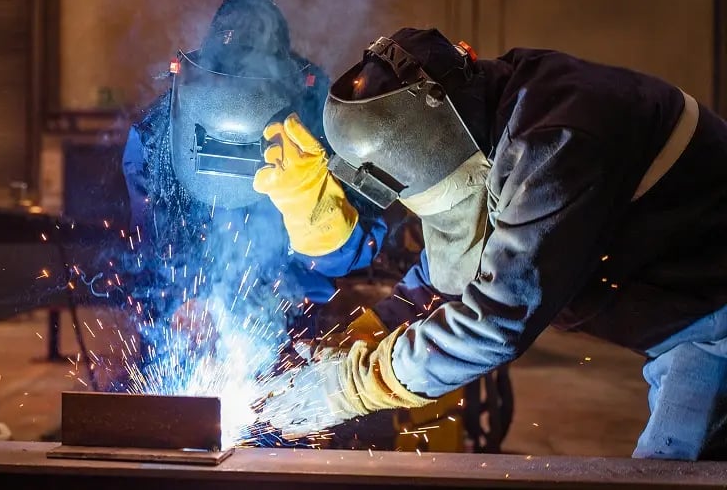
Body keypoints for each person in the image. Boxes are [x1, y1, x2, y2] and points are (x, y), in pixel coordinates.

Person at [254, 27, 727, 460]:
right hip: (686, 327)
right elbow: (460, 266)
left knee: (676, 475)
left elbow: (497, 318)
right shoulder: (486, 116)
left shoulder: (557, 143)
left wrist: (356, 386)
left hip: (716, 332)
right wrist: (379, 324)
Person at [116, 0, 386, 445]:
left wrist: (311, 215)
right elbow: (149, 244)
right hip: (185, 327)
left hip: (292, 329)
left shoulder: (320, 123)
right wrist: (180, 302)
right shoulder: (157, 134)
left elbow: (352, 254)